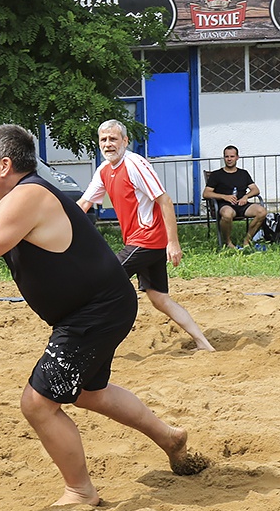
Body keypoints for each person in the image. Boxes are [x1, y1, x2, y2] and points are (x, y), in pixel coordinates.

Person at [0, 124, 208, 506]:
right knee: (88, 393)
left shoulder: (28, 196)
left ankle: (80, 492)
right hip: (85, 310)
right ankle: (170, 437)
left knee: (38, 403)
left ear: (4, 165)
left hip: (98, 309)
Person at [77, 119, 215, 352]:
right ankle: (204, 343)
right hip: (139, 241)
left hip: (148, 240)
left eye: (113, 139)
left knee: (103, 282)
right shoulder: (103, 170)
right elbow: (83, 204)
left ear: (125, 141)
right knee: (159, 298)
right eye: (103, 140)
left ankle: (89, 343)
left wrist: (173, 243)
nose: (108, 144)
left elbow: (165, 200)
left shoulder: (135, 164)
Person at [202, 145, 268, 249]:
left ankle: (247, 240)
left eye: (232, 156)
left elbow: (255, 190)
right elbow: (206, 193)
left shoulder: (243, 173)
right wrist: (224, 197)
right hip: (225, 205)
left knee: (262, 212)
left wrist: (246, 197)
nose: (229, 159)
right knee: (227, 214)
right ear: (223, 157)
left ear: (237, 157)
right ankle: (228, 242)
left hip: (242, 204)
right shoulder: (216, 175)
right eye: (226, 156)